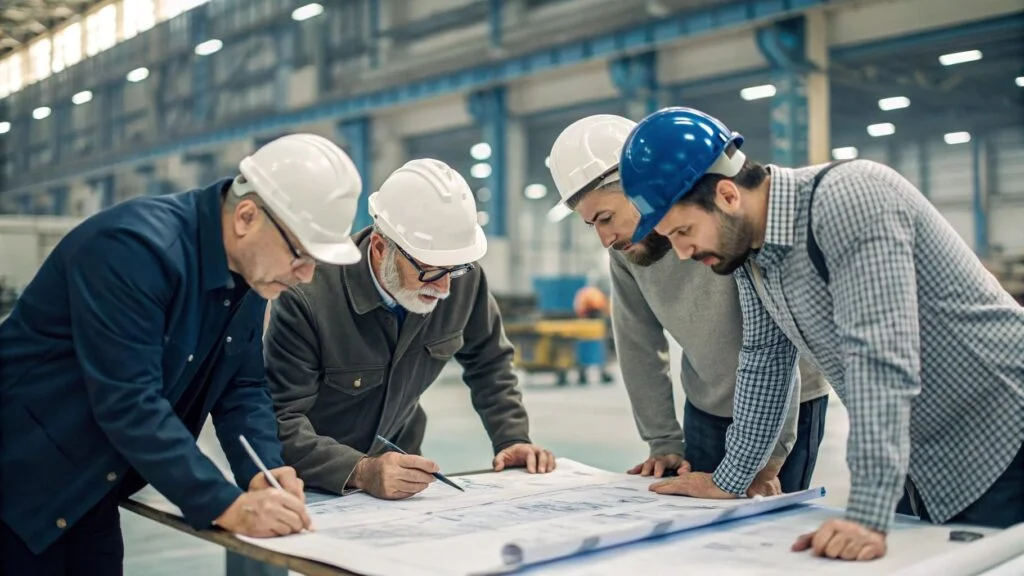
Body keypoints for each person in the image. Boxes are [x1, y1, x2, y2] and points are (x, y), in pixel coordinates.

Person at [619, 106, 1024, 561]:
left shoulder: (850, 198)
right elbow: (764, 359)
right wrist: (728, 480)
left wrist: (868, 514)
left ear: (728, 195)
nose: (683, 250)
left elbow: (881, 361)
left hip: (1002, 437)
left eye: (684, 230)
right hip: (927, 461)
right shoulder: (752, 256)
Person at [0, 133, 365, 574]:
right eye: (300, 256)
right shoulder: (132, 250)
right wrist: (225, 505)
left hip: (91, 491)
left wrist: (264, 471)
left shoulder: (252, 274)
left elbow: (243, 389)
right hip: (19, 487)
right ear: (247, 217)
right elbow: (129, 403)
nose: (305, 276)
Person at [547, 114, 832, 495]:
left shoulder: (733, 227)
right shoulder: (627, 254)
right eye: (591, 225)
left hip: (790, 406)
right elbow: (638, 342)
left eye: (606, 217)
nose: (604, 238)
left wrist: (768, 455)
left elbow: (774, 353)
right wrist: (662, 439)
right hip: (706, 407)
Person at [265, 158, 555, 501]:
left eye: (455, 269)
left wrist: (512, 438)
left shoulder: (461, 278)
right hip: (308, 483)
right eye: (431, 271)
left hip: (399, 475)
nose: (446, 287)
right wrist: (361, 470)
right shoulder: (308, 299)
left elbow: (489, 362)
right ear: (380, 248)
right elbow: (279, 421)